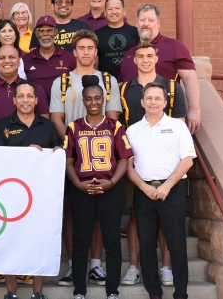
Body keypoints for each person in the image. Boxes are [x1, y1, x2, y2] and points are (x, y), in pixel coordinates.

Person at [49, 29, 122, 288]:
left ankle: (96, 265)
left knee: (100, 214)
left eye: (90, 48)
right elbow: (57, 119)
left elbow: (112, 119)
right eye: (81, 48)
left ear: (96, 52)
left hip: (102, 157)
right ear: (75, 52)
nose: (86, 52)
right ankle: (73, 266)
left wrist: (94, 146)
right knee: (72, 213)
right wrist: (76, 146)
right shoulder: (62, 82)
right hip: (73, 158)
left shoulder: (109, 81)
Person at [118, 42, 188, 287]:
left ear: (156, 58)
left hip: (167, 170)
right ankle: (135, 267)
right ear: (134, 60)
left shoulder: (171, 86)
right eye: (141, 56)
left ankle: (166, 267)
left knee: (166, 224)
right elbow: (118, 125)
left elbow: (178, 126)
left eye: (150, 56)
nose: (145, 60)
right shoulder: (125, 88)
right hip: (137, 167)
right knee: (137, 218)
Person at [0, 80, 62, 299]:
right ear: (14, 99)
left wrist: (57, 152)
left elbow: (56, 152)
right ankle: (11, 293)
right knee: (9, 243)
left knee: (39, 242)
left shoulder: (47, 127)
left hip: (41, 197)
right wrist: (24, 152)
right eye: (21, 96)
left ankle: (37, 293)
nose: (25, 100)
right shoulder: (2, 125)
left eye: (29, 96)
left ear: (36, 100)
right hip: (9, 195)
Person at [64, 75, 132, 299]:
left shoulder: (115, 126)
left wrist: (112, 182)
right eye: (89, 99)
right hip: (81, 189)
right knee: (81, 240)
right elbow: (68, 160)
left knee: (112, 240)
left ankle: (112, 290)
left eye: (97, 98)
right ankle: (79, 290)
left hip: (110, 189)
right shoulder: (74, 127)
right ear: (82, 101)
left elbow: (124, 159)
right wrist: (77, 184)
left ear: (103, 100)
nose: (93, 102)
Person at [126, 82, 195, 299]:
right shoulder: (132, 130)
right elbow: (128, 166)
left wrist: (166, 186)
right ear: (142, 102)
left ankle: (181, 293)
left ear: (165, 102)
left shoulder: (177, 126)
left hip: (171, 190)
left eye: (157, 98)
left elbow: (188, 160)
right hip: (143, 191)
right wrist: (145, 187)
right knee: (146, 245)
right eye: (149, 98)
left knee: (176, 244)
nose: (153, 102)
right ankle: (154, 293)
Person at [118, 3, 200, 133]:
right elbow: (122, 85)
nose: (146, 23)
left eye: (151, 20)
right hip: (134, 122)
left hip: (167, 119)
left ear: (158, 23)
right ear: (137, 23)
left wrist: (194, 109)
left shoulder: (174, 46)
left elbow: (189, 77)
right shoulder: (129, 53)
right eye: (142, 20)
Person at [0, 45, 49, 133]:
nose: (7, 61)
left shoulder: (36, 89)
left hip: (27, 145)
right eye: (2, 58)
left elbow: (45, 127)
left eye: (12, 57)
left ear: (19, 62)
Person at [23, 15, 77, 102]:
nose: (45, 34)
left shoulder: (69, 57)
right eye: (41, 31)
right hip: (35, 111)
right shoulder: (25, 60)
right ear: (36, 33)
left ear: (56, 32)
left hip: (63, 109)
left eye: (49, 30)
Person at [95, 0, 139, 78]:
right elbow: (95, 64)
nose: (114, 12)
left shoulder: (136, 32)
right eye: (110, 9)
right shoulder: (96, 35)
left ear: (124, 11)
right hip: (106, 84)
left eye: (117, 8)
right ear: (105, 13)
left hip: (131, 83)